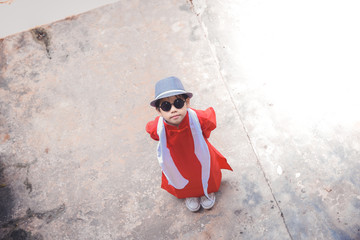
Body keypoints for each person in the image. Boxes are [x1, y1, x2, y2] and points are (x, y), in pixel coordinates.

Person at [146, 76, 232, 212]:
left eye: (178, 103)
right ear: (159, 111)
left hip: (200, 154)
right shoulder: (157, 127)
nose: (173, 110)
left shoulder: (198, 118)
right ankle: (189, 194)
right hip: (177, 159)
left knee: (204, 171)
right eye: (166, 106)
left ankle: (207, 191)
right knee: (182, 175)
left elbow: (209, 124)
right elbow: (154, 134)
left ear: (187, 102)